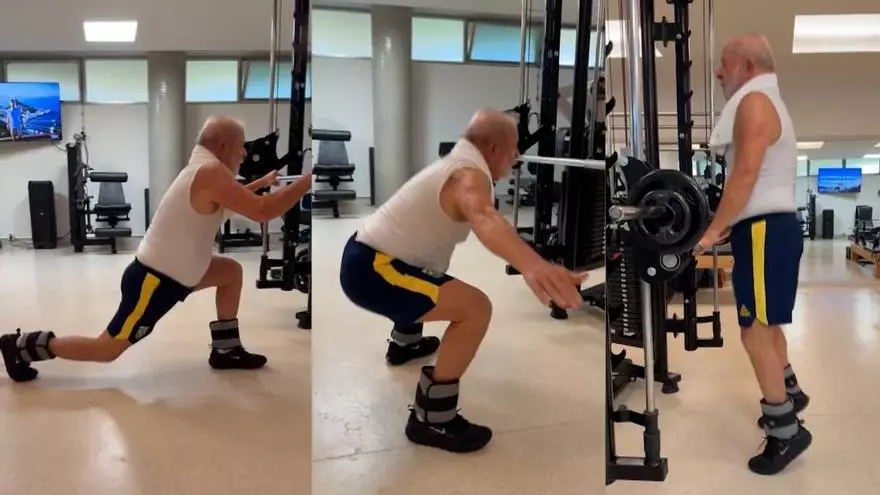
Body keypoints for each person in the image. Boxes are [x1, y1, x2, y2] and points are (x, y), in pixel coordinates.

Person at [339, 108, 587, 454]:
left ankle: (405, 344)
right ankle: (433, 419)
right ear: (496, 149)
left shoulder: (454, 162)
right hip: (373, 269)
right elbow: (485, 216)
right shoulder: (470, 174)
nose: (516, 158)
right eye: (514, 149)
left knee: (432, 275)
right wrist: (535, 266)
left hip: (370, 257)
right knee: (475, 308)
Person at [0, 116, 312, 383]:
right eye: (241, 145)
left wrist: (261, 182)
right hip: (154, 282)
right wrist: (307, 182)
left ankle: (226, 349)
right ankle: (22, 346)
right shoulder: (210, 172)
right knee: (107, 349)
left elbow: (229, 203)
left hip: (180, 273)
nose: (245, 152)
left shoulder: (203, 169)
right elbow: (261, 211)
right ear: (223, 146)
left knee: (230, 272)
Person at [698, 33, 811, 475]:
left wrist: (710, 233)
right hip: (764, 229)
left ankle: (787, 433)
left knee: (754, 333)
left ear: (745, 64)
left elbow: (744, 176)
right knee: (767, 324)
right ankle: (790, 392)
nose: (719, 73)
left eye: (724, 64)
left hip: (765, 230)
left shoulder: (755, 103)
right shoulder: (763, 100)